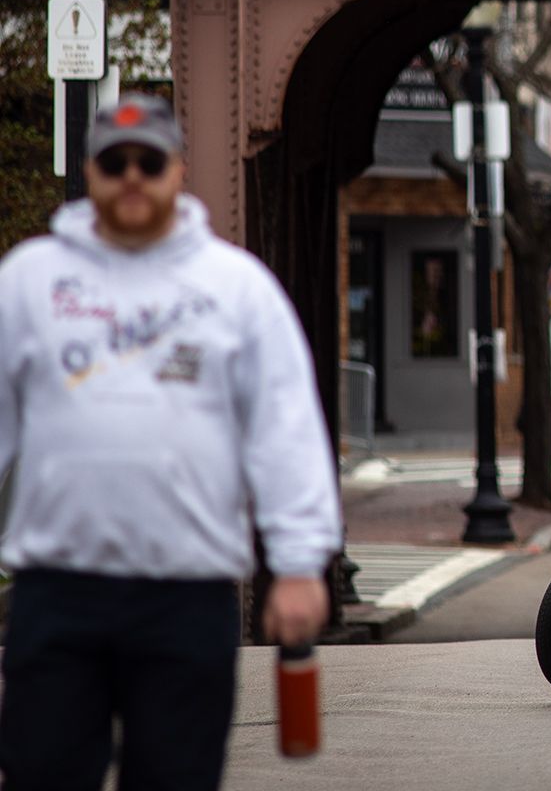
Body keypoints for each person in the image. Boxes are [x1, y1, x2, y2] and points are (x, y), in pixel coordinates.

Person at [0, 94, 342, 791]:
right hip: (57, 593)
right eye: (114, 161)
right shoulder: (29, 282)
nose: (132, 176)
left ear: (178, 170)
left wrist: (300, 562)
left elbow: (284, 426)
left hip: (187, 595)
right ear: (90, 171)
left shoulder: (236, 288)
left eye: (149, 162)